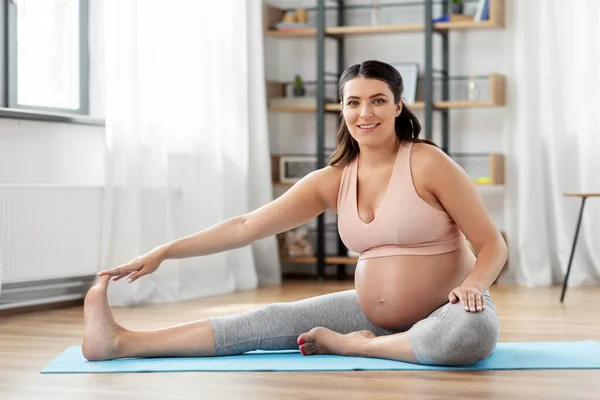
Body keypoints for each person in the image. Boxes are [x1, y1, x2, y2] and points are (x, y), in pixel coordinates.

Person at [83, 60, 506, 366]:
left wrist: (474, 285)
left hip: (448, 308)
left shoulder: (429, 163)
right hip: (370, 314)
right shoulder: (332, 179)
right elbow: (246, 226)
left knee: (468, 335)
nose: (365, 113)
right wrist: (165, 251)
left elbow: (491, 245)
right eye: (353, 102)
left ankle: (353, 347)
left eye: (378, 100)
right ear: (341, 109)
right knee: (266, 321)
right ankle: (120, 342)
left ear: (398, 106)